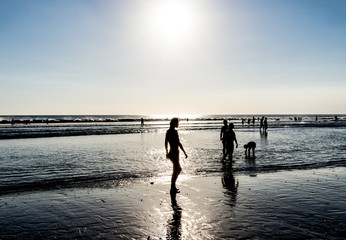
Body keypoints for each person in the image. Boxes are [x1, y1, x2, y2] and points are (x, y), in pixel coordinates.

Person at [165, 118, 188, 193]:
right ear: (174, 123)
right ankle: (172, 187)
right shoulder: (174, 132)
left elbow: (166, 143)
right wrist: (184, 152)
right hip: (175, 152)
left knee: (177, 169)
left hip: (172, 152)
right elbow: (178, 143)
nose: (178, 124)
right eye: (177, 123)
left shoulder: (168, 132)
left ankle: (173, 186)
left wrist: (167, 152)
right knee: (176, 170)